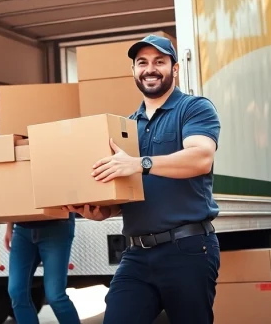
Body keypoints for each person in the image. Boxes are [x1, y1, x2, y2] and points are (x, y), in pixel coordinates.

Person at [65, 34, 221, 324]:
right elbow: (129, 191)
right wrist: (102, 211)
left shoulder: (194, 108)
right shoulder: (127, 126)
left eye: (159, 62)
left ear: (175, 68)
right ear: (133, 71)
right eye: (142, 63)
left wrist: (139, 163)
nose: (150, 69)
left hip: (187, 249)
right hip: (137, 254)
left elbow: (201, 158)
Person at [5, 214, 81, 324]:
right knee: (16, 292)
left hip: (56, 226)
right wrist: (9, 226)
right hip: (22, 229)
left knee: (55, 296)